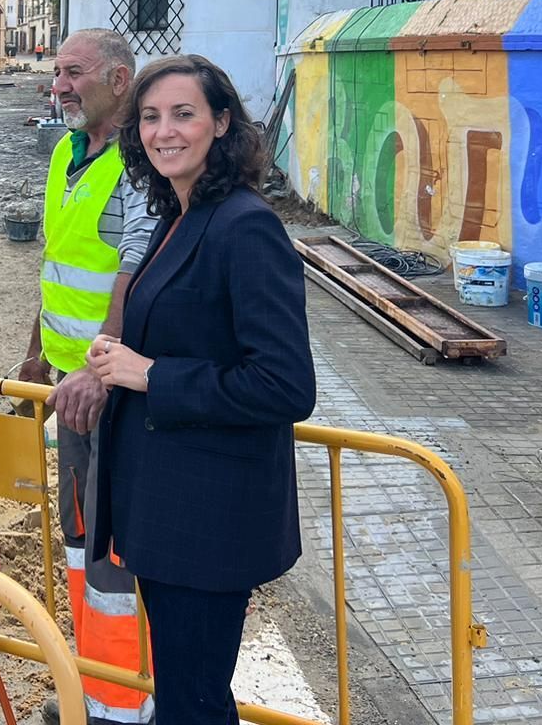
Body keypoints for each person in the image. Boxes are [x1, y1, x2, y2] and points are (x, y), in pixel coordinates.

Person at [86, 55, 317, 724]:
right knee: (186, 694)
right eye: (152, 117)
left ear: (221, 123)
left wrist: (150, 373)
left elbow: (284, 384)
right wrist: (120, 356)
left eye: (183, 114)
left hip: (208, 525)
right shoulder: (180, 213)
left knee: (194, 704)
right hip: (167, 511)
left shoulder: (245, 225)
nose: (165, 131)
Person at [19, 29, 158, 725]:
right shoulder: (70, 155)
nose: (61, 84)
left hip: (112, 398)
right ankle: (97, 693)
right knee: (81, 550)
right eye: (57, 72)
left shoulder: (138, 166)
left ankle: (124, 709)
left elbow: (132, 274)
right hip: (73, 390)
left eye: (73, 72)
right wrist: (38, 350)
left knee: (114, 560)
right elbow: (60, 267)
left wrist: (100, 370)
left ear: (120, 79)